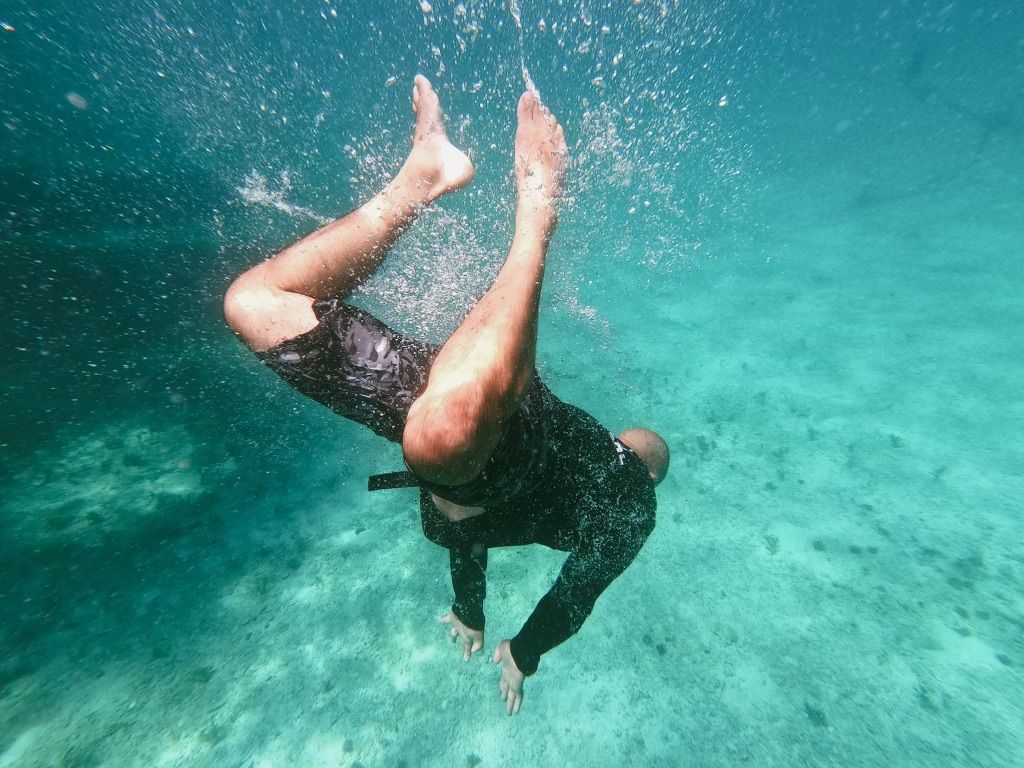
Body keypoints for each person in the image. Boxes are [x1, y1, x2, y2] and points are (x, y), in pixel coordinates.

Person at [223, 76, 669, 715]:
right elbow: (576, 592)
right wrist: (524, 651)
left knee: (255, 305)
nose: (623, 451)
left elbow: (480, 537)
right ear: (643, 470)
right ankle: (535, 210)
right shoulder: (627, 500)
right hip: (492, 425)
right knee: (442, 441)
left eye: (632, 452)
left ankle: (423, 176)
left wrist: (478, 614)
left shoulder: (626, 490)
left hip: (453, 418)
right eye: (629, 451)